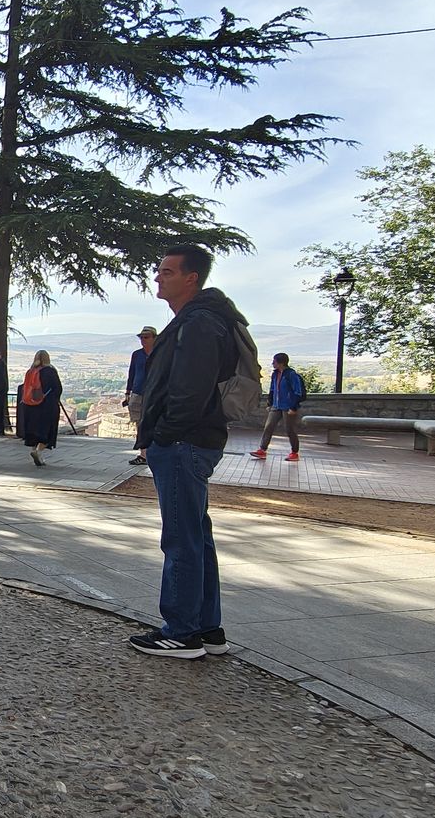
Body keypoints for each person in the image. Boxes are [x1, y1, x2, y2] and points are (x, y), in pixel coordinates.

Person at [130, 244, 255, 660]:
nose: (158, 277)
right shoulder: (201, 319)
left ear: (191, 278)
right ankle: (207, 628)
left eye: (167, 271)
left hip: (183, 442)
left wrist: (163, 435)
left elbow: (189, 389)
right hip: (191, 440)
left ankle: (182, 633)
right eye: (158, 270)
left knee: (181, 538)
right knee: (197, 535)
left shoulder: (199, 323)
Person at [250, 352, 307, 461]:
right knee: (268, 426)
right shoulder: (275, 374)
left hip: (288, 406)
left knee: (290, 429)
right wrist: (270, 403)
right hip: (276, 406)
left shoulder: (291, 374)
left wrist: (293, 407)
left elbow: (297, 392)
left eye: (274, 361)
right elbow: (272, 389)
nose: (272, 363)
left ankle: (294, 452)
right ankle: (262, 450)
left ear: (281, 363)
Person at [17, 350, 63, 466]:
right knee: (48, 430)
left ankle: (34, 450)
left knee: (34, 430)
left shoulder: (30, 371)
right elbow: (58, 388)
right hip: (47, 406)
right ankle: (38, 451)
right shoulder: (50, 371)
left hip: (30, 406)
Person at [123, 326, 156, 465]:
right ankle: (143, 454)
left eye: (146, 337)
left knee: (153, 423)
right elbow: (132, 373)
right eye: (141, 337)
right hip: (138, 392)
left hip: (154, 393)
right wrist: (128, 392)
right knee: (139, 423)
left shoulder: (160, 353)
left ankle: (152, 452)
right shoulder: (137, 354)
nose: (143, 340)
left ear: (154, 338)